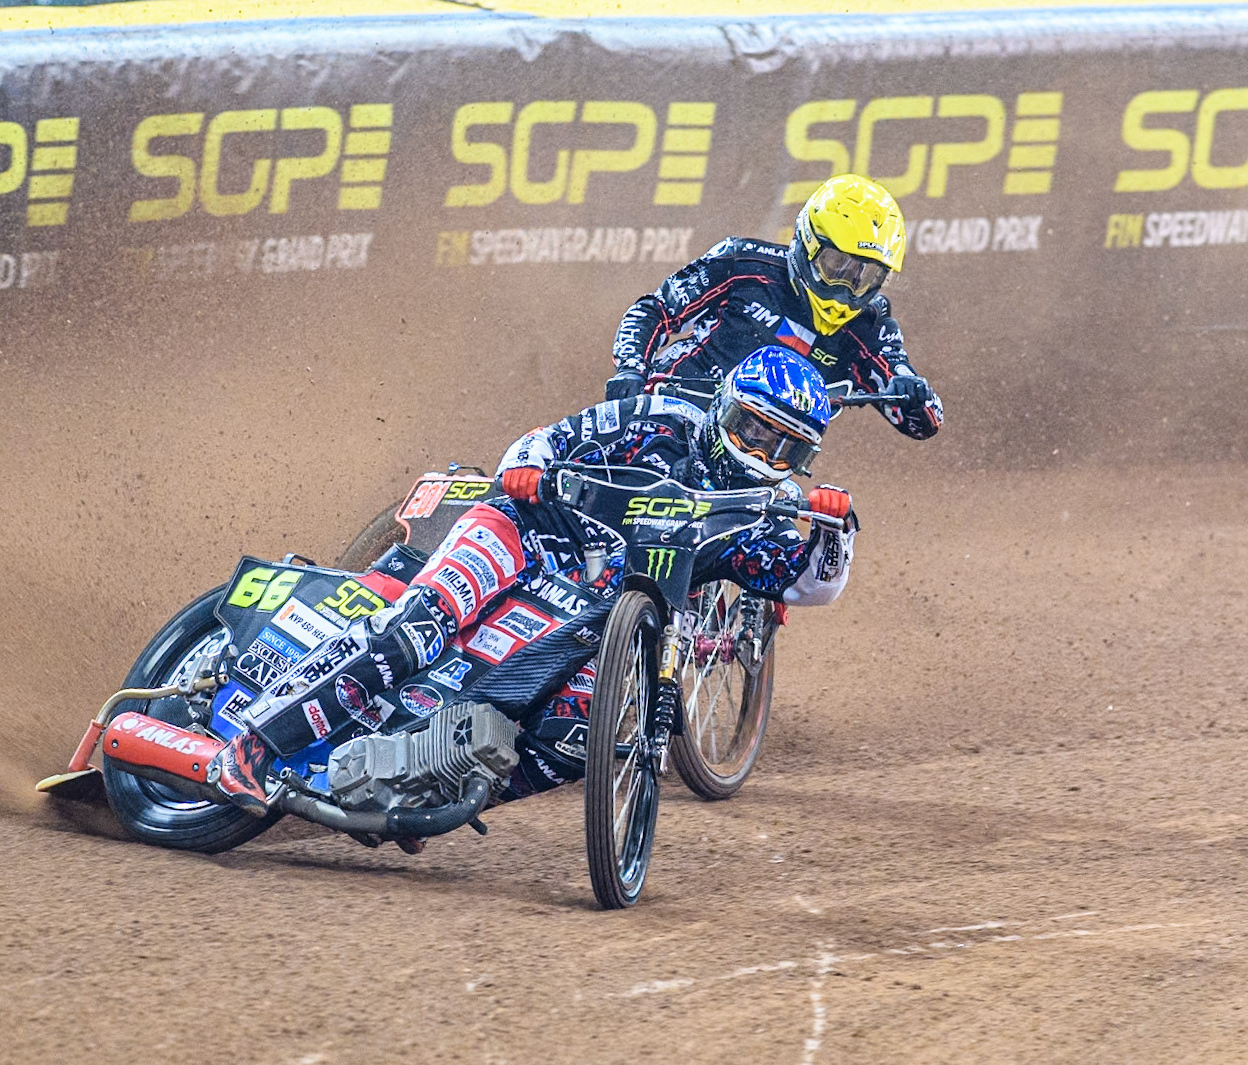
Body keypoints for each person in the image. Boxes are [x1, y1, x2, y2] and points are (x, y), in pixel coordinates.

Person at [212, 346, 860, 815]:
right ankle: (254, 747)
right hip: (524, 532)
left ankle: (426, 785)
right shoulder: (664, 418)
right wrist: (529, 471)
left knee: (580, 734)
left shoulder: (759, 518)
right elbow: (545, 440)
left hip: (594, 613)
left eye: (785, 450)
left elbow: (811, 585)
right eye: (755, 431)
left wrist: (836, 530)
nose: (763, 456)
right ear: (725, 410)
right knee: (417, 630)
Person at [606, 173, 943, 441]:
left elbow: (923, 424)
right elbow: (655, 310)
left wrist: (912, 389)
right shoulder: (744, 263)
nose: (847, 287)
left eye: (866, 276)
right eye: (837, 265)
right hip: (665, 418)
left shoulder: (869, 326)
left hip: (756, 462)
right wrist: (631, 370)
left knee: (822, 521)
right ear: (809, 244)